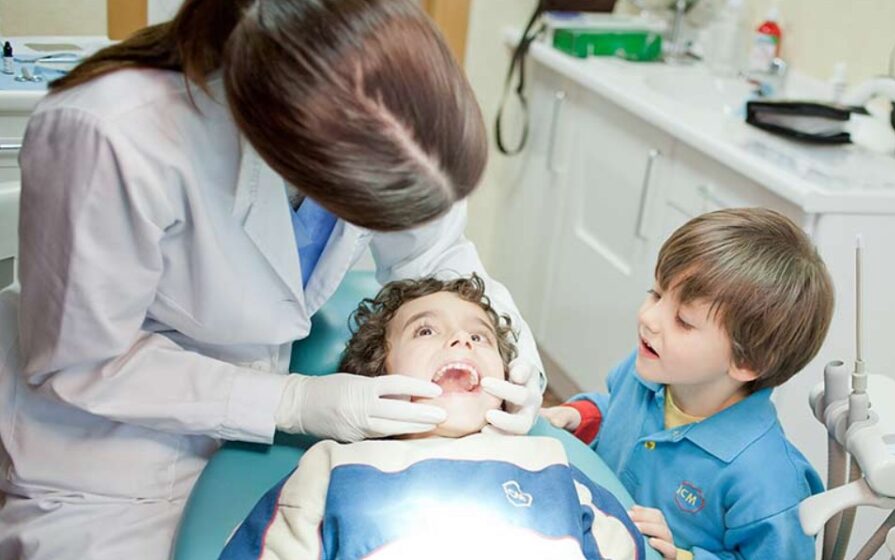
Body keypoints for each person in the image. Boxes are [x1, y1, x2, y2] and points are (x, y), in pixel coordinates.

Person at [0, 1, 543, 558]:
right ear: (288, 145)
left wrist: (518, 356)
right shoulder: (112, 135)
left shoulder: (382, 102)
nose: (459, 343)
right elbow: (85, 359)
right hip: (108, 459)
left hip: (256, 446)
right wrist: (292, 402)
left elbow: (435, 252)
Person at [220, 275, 645, 559]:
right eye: (426, 330)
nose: (461, 339)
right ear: (377, 369)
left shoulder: (551, 464)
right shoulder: (332, 468)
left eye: (479, 336)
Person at [542, 208, 834, 560]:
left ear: (746, 361)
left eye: (682, 320)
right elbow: (616, 412)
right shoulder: (650, 376)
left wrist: (682, 556)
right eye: (656, 294)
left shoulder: (767, 483)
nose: (648, 318)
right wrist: (582, 416)